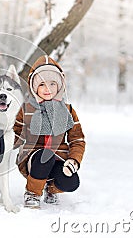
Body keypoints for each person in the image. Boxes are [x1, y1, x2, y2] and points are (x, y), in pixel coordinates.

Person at [14, 55, 86, 208]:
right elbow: (14, 133)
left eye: (52, 83)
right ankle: (32, 193)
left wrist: (73, 160)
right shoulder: (27, 109)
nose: (48, 89)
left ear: (60, 85)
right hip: (34, 160)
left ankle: (50, 189)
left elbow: (77, 139)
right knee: (44, 157)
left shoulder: (68, 110)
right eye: (42, 84)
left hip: (60, 158)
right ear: (34, 87)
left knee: (71, 182)